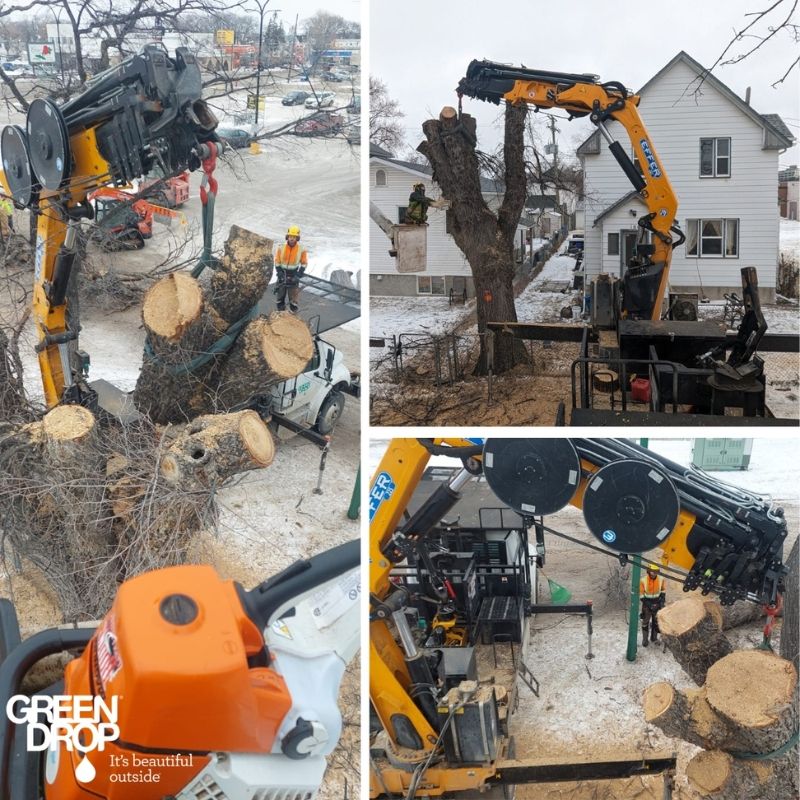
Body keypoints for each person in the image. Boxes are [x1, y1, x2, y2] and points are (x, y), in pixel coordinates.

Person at [274, 224, 307, 313]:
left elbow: (304, 264)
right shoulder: (281, 248)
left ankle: (293, 316)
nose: (292, 238)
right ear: (287, 237)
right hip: (282, 274)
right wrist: (280, 274)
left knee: (294, 300)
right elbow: (277, 261)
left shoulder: (302, 249)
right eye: (290, 236)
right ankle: (280, 314)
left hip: (293, 275)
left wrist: (298, 275)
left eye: (294, 237)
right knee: (280, 298)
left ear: (297, 238)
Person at [639, 563, 666, 647]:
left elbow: (663, 592)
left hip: (657, 604)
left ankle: (654, 638)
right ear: (648, 571)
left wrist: (661, 602)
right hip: (647, 605)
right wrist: (649, 605)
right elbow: (641, 595)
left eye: (655, 571)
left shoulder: (661, 579)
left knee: (656, 623)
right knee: (645, 623)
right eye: (652, 571)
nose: (653, 573)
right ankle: (645, 639)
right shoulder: (643, 580)